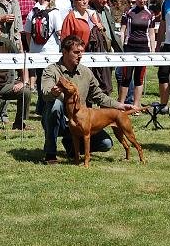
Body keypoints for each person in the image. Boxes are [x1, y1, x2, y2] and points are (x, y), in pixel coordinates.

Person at [40, 35, 131, 165]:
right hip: (59, 121)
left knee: (106, 144)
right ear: (64, 52)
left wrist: (120, 106)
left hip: (81, 121)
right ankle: (51, 153)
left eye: (82, 52)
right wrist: (53, 92)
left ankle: (72, 146)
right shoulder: (51, 70)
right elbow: (45, 93)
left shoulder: (86, 72)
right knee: (55, 104)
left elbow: (99, 95)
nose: (80, 55)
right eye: (76, 52)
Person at [25, 0, 64, 114]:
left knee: (41, 78)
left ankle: (40, 107)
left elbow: (28, 33)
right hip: (51, 52)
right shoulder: (54, 13)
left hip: (36, 51)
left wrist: (32, 47)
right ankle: (46, 107)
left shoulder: (33, 12)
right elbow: (59, 33)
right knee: (51, 79)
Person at [118, 0, 156, 110]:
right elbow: (122, 31)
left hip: (143, 48)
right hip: (129, 47)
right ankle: (121, 104)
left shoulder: (150, 14)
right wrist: (123, 46)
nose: (142, 0)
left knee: (139, 78)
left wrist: (153, 50)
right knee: (126, 77)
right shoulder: (128, 12)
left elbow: (151, 34)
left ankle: (136, 105)